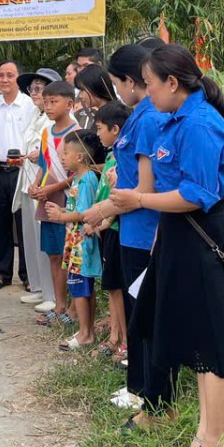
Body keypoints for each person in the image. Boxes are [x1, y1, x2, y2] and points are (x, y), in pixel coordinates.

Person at [134, 43, 224, 447]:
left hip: (203, 239)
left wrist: (139, 199)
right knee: (201, 345)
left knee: (215, 346)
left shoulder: (200, 124)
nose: (147, 92)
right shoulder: (176, 120)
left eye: (149, 84)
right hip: (179, 238)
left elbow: (196, 195)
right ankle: (205, 441)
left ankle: (213, 446)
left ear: (172, 82)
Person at [81, 39, 172, 417]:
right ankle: (139, 385)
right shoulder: (140, 115)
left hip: (144, 228)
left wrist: (102, 208)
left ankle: (149, 392)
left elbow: (149, 187)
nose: (117, 91)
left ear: (132, 81)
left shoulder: (148, 118)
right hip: (131, 227)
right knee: (138, 314)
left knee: (144, 315)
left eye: (118, 83)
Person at [43, 130, 106, 351]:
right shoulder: (80, 178)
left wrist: (61, 217)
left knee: (79, 286)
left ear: (79, 157)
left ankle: (85, 333)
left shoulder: (87, 179)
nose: (62, 158)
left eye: (65, 153)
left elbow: (85, 213)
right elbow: (76, 208)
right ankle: (86, 330)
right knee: (80, 286)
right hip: (74, 241)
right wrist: (61, 209)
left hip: (82, 244)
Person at [0, 61, 38, 291]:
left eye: (9, 75)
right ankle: (2, 273)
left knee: (24, 224)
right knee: (0, 222)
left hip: (23, 171)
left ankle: (28, 274)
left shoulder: (30, 105)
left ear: (18, 79)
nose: (4, 80)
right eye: (1, 75)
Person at [29, 80, 78, 325]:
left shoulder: (76, 134)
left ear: (69, 104)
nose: (47, 106)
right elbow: (44, 163)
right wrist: (36, 185)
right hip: (48, 198)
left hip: (68, 199)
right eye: (45, 102)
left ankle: (73, 308)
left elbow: (77, 173)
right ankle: (58, 305)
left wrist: (51, 188)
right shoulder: (47, 132)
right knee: (54, 254)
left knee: (70, 254)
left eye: (53, 102)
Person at [89, 100, 133, 360]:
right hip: (106, 226)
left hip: (116, 226)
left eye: (99, 128)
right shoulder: (111, 156)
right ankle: (115, 336)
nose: (97, 134)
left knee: (120, 288)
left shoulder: (124, 158)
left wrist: (105, 219)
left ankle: (125, 340)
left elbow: (121, 196)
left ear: (115, 129)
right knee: (112, 287)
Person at [15, 68, 60, 312]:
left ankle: (52, 294)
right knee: (30, 238)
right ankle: (38, 286)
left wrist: (37, 155)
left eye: (39, 88)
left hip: (45, 182)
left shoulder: (54, 119)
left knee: (46, 241)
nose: (34, 93)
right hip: (28, 180)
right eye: (32, 88)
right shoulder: (34, 114)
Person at [75, 62, 118, 130]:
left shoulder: (114, 116)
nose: (80, 96)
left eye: (82, 90)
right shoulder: (103, 114)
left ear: (94, 87)